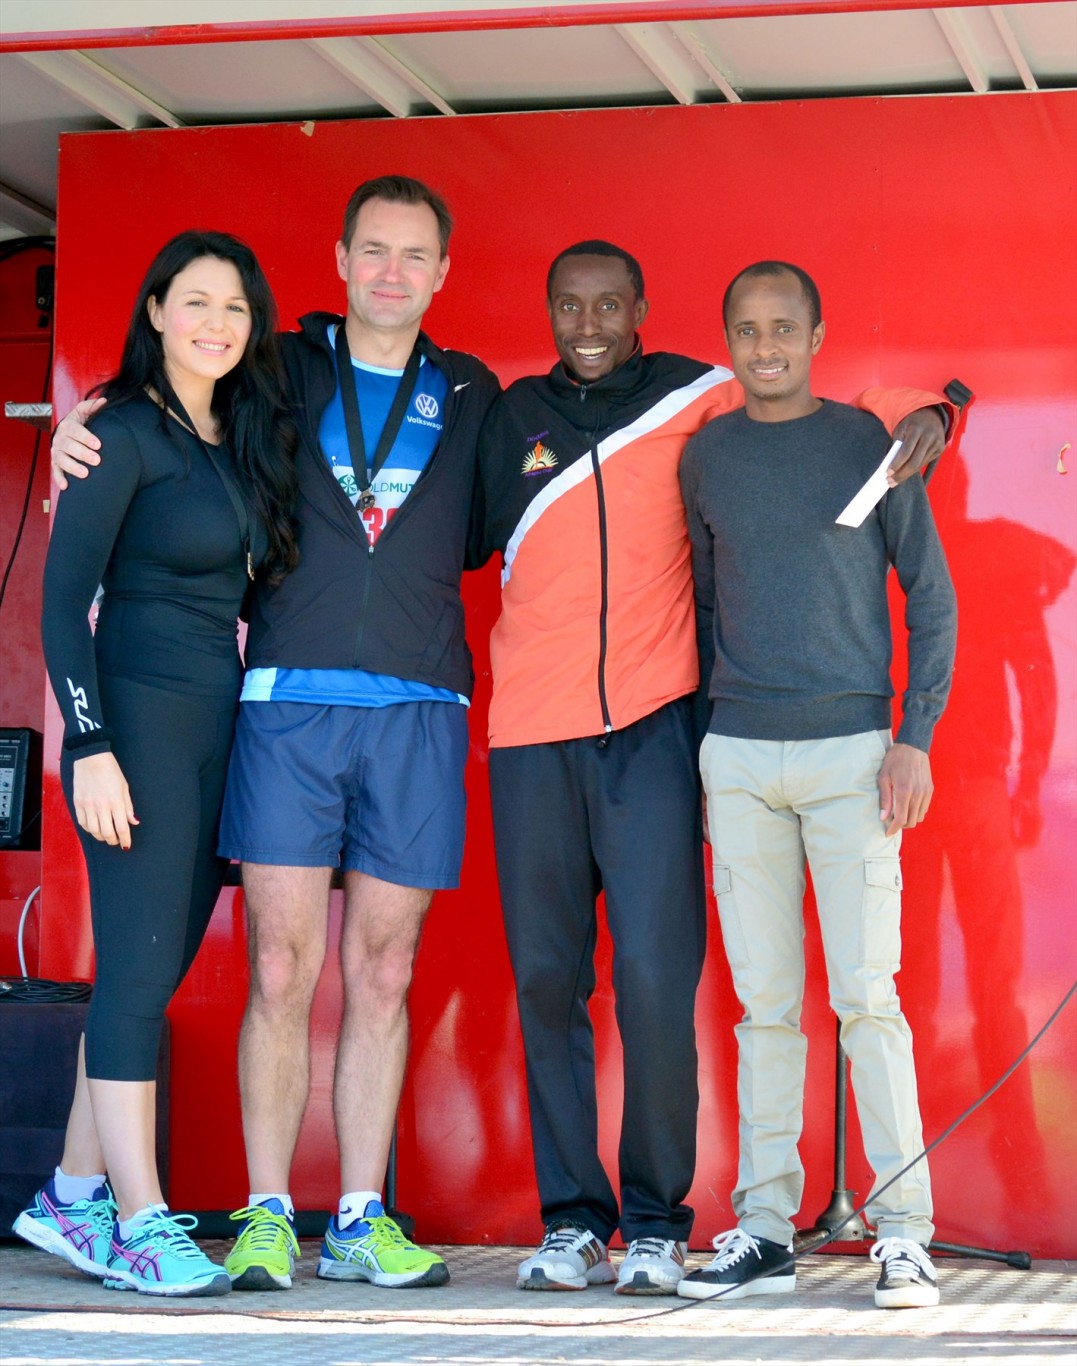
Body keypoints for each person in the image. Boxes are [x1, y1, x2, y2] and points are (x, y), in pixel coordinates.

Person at [470, 242, 952, 1295]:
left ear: (644, 308)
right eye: (569, 303)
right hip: (634, 743)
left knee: (781, 989)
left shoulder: (755, 415)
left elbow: (862, 449)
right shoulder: (556, 424)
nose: (589, 321)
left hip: (754, 742)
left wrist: (936, 405)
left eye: (609, 303)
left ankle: (809, 1222)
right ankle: (663, 1222)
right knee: (662, 993)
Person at [51, 176, 500, 1292]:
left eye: (416, 255)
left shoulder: (476, 392)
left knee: (385, 967)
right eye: (375, 250)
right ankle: (262, 1212)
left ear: (443, 272)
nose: (393, 271)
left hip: (419, 704)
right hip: (284, 701)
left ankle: (356, 1216)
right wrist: (80, 428)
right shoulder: (284, 370)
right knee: (282, 963)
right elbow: (174, 396)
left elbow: (507, 514)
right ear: (342, 257)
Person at [16, 231, 298, 1297]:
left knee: (156, 966)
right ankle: (141, 1218)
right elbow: (57, 603)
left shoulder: (235, 437)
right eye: (195, 302)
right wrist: (88, 745)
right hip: (130, 732)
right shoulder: (119, 433)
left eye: (234, 306)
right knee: (133, 974)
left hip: (209, 735)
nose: (215, 324)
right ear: (155, 312)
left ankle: (71, 1197)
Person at [677, 260, 956, 1309]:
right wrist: (710, 740)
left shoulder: (866, 446)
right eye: (746, 329)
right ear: (729, 338)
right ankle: (762, 1224)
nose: (765, 346)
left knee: (866, 999)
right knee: (762, 1005)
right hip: (739, 755)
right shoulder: (708, 456)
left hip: (852, 754)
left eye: (783, 327)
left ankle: (903, 1231)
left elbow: (931, 599)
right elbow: (706, 607)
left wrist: (913, 737)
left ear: (818, 332)